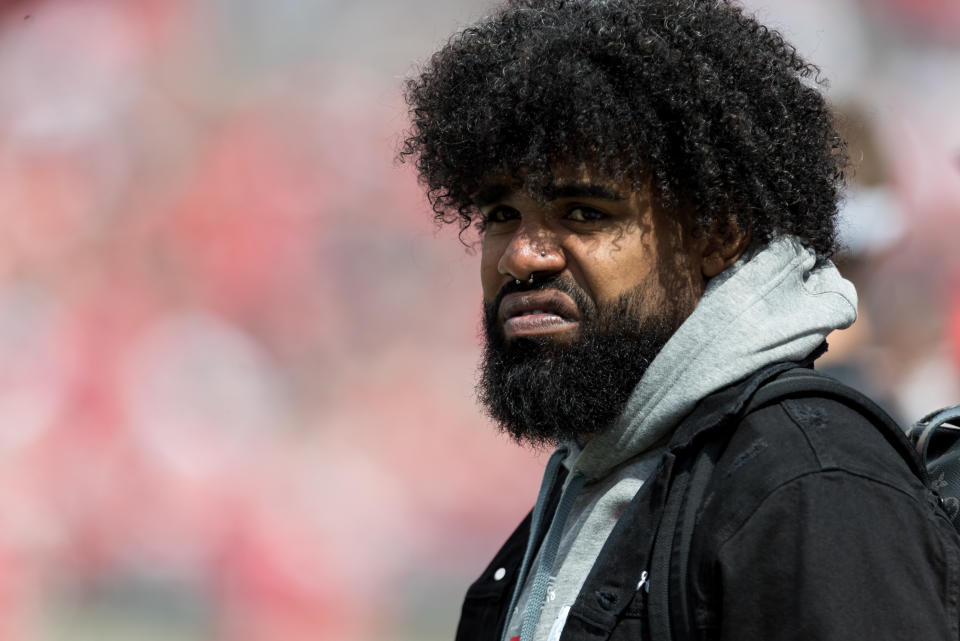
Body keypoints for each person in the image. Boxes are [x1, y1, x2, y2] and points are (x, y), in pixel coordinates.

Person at [400, 1, 960, 639]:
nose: (524, 255)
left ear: (717, 236)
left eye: (584, 213)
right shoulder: (601, 470)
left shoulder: (809, 483)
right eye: (502, 215)